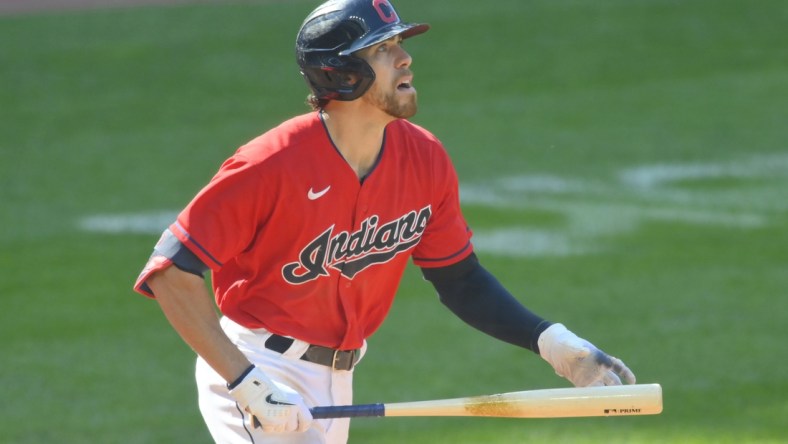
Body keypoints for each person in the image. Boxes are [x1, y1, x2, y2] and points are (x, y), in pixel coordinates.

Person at [133, 0, 636, 442]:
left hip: (339, 380)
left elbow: (460, 281)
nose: (405, 57)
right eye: (382, 48)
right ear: (342, 72)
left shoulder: (425, 159)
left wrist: (555, 344)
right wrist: (246, 382)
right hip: (258, 367)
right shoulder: (270, 163)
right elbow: (171, 272)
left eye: (399, 42)